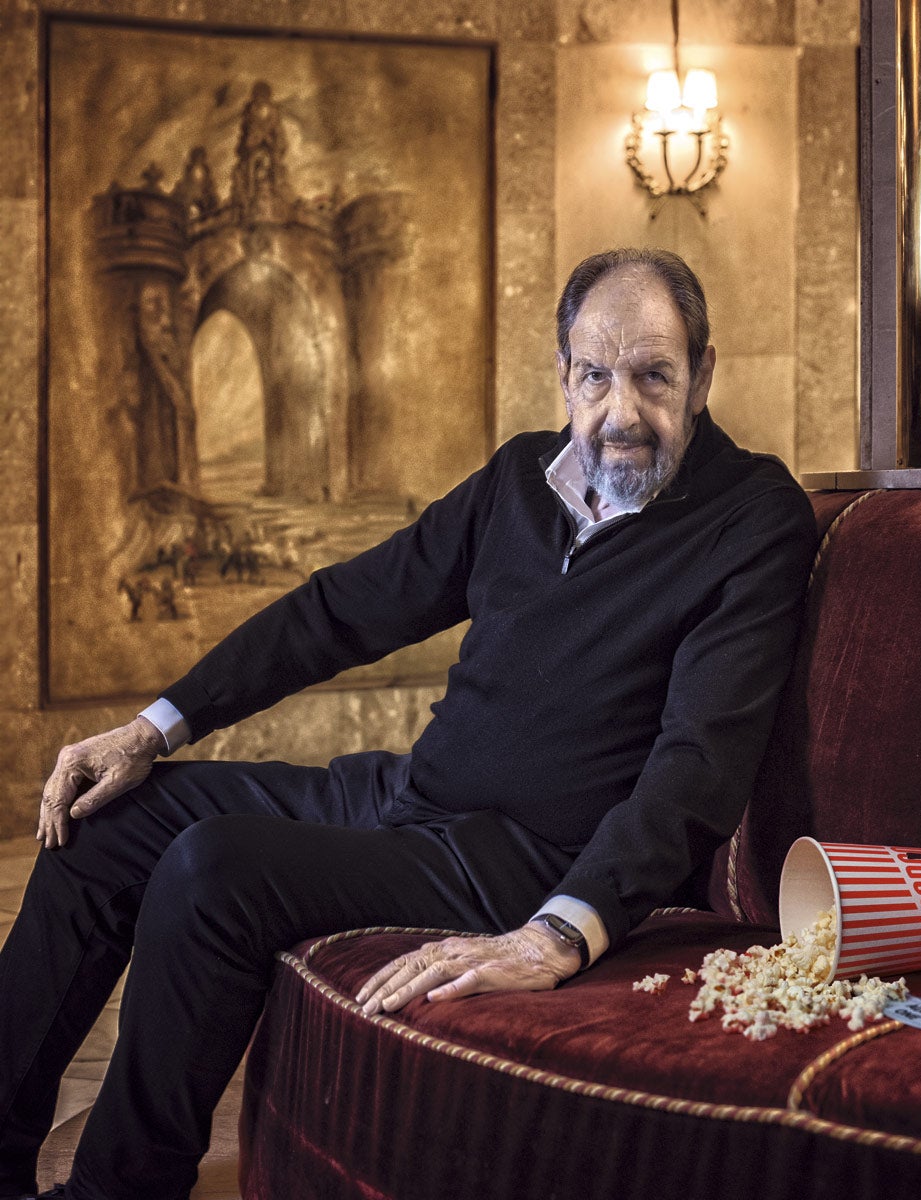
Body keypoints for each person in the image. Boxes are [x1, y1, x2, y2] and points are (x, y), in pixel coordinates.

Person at [0, 248, 817, 1200]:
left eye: (654, 376)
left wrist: (555, 936)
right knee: (104, 819)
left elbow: (698, 765)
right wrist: (153, 729)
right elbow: (343, 609)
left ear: (704, 376)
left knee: (212, 868)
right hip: (411, 798)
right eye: (596, 375)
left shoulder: (755, 517)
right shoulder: (521, 477)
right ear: (563, 375)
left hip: (527, 859)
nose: (621, 412)